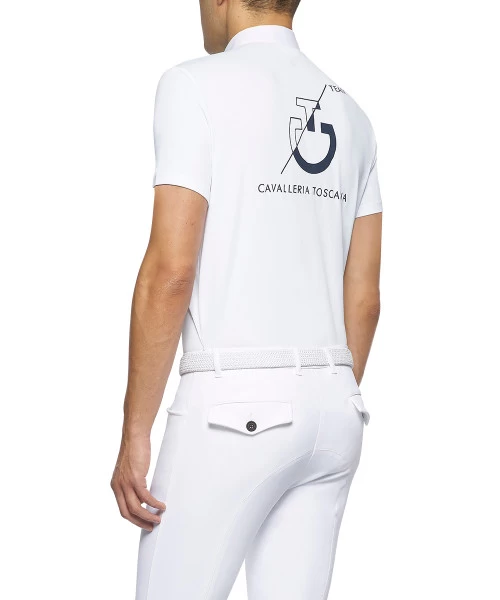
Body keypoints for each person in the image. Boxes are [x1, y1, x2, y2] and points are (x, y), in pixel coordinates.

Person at [111, 0, 382, 598]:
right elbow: (364, 298)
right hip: (336, 410)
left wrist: (135, 431)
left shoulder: (192, 86)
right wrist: (321, 393)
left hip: (232, 410)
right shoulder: (352, 114)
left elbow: (171, 271)